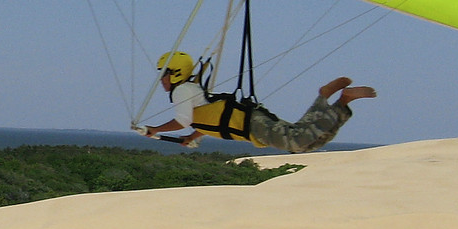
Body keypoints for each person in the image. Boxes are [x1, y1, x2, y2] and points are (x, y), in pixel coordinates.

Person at [139, 52, 375, 154]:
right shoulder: (191, 91)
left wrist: (154, 130)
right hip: (251, 126)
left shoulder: (182, 91)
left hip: (252, 125)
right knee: (308, 143)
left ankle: (324, 96)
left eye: (164, 73)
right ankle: (342, 102)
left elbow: (182, 120)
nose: (161, 80)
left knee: (297, 140)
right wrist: (193, 137)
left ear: (176, 72)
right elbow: (209, 119)